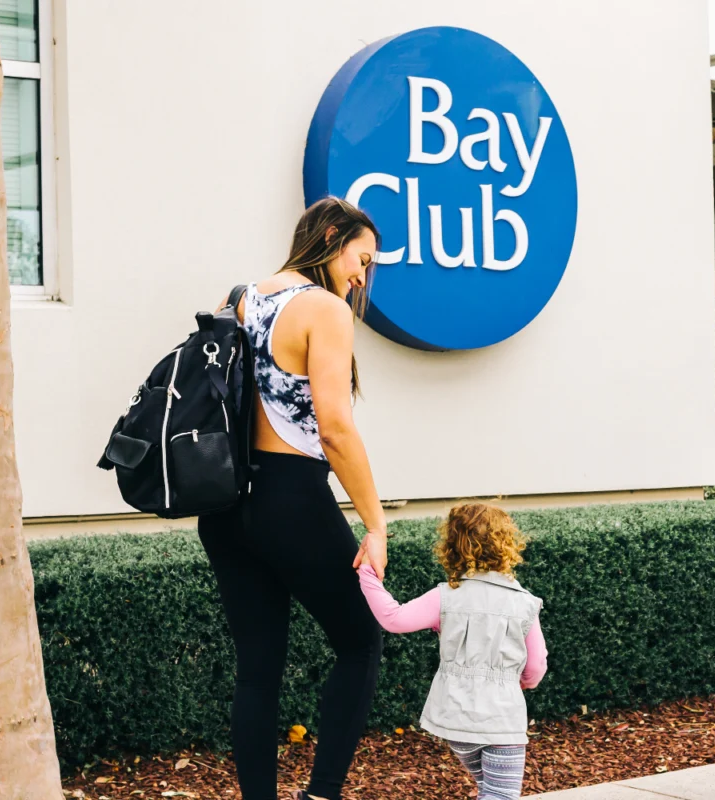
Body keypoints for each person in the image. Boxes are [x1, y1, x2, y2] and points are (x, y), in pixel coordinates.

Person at [197, 197, 390, 800]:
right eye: (362, 259)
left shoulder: (241, 299)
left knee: (258, 670)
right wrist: (375, 524)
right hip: (291, 499)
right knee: (360, 642)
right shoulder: (323, 309)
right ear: (332, 238)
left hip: (226, 506)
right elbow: (333, 429)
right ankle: (321, 794)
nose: (362, 275)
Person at [357, 503, 548, 800]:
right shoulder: (524, 603)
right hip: (501, 720)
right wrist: (523, 683)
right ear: (508, 544)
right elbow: (535, 665)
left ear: (452, 546)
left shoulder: (445, 596)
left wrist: (368, 572)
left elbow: (393, 619)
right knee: (501, 795)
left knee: (489, 789)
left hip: (454, 719)